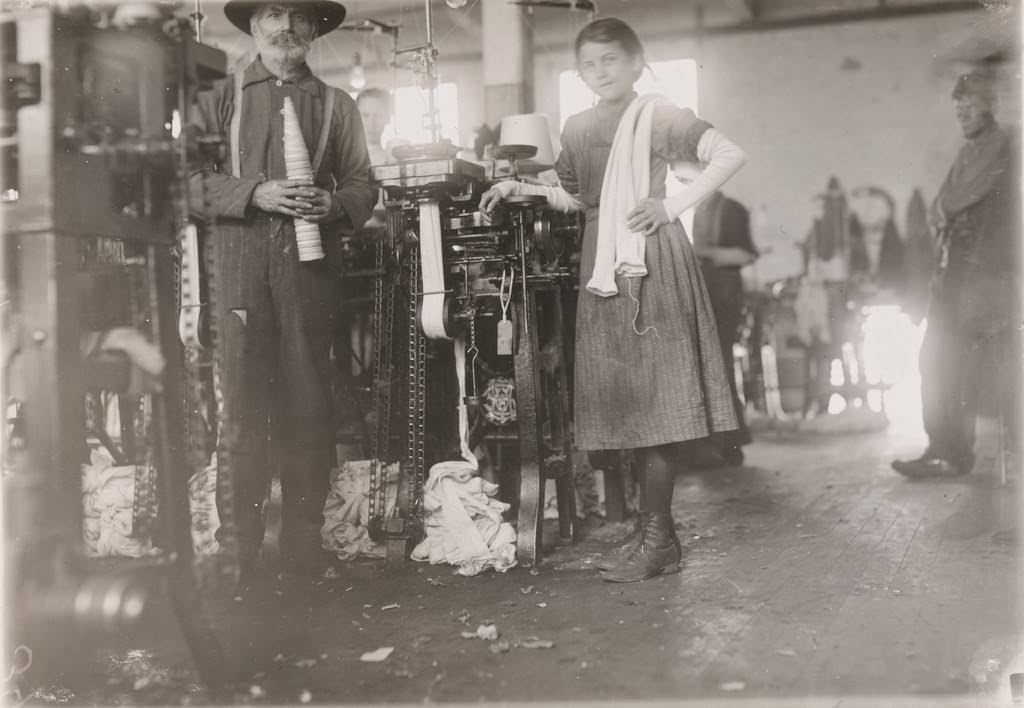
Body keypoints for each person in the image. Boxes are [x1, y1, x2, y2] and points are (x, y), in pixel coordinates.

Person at [480, 17, 746, 582]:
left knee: (658, 403)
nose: (600, 72)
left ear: (636, 63)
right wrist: (516, 186)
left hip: (650, 259)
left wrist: (671, 207)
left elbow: (729, 154)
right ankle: (651, 533)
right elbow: (576, 198)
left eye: (611, 60)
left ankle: (660, 538)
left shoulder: (659, 114)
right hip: (602, 263)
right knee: (625, 401)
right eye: (589, 64)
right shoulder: (578, 127)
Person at [189, 0, 376, 578]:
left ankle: (301, 546)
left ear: (315, 28)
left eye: (298, 15)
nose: (286, 27)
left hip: (308, 272)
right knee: (242, 411)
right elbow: (184, 181)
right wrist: (253, 193)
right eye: (273, 13)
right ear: (253, 25)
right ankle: (235, 550)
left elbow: (364, 183)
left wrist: (335, 204)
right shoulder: (218, 97)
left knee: (308, 408)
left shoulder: (337, 106)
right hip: (237, 269)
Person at [892, 71, 1019, 478]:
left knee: (976, 367)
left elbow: (955, 205)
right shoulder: (968, 153)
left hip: (984, 277)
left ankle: (959, 453)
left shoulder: (1005, 146)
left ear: (991, 104)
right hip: (955, 273)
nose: (961, 112)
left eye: (970, 104)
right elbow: (939, 207)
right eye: (958, 105)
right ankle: (945, 449)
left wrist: (946, 212)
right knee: (934, 359)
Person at [675, 166, 758, 466]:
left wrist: (704, 253)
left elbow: (747, 254)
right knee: (712, 366)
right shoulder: (701, 210)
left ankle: (730, 444)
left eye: (687, 180)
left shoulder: (730, 209)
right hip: (709, 290)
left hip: (724, 291)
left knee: (719, 364)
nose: (685, 186)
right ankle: (721, 444)